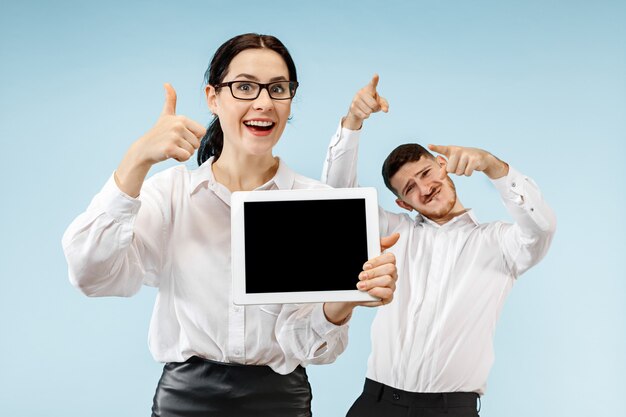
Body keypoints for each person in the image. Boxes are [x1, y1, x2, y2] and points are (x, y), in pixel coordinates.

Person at [62, 34, 399, 417]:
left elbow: (312, 350)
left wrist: (343, 300)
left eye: (278, 89)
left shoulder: (316, 203)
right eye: (244, 86)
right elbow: (90, 274)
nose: (263, 102)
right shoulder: (172, 195)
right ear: (213, 97)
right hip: (185, 403)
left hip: (282, 403)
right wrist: (136, 159)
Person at [322, 75, 557, 417]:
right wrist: (353, 121)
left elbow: (542, 227)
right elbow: (340, 202)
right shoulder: (393, 233)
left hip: (451, 410)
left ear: (443, 166)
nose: (425, 188)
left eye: (427, 172)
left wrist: (493, 165)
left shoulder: (501, 243)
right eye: (410, 188)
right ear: (404, 204)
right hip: (376, 404)